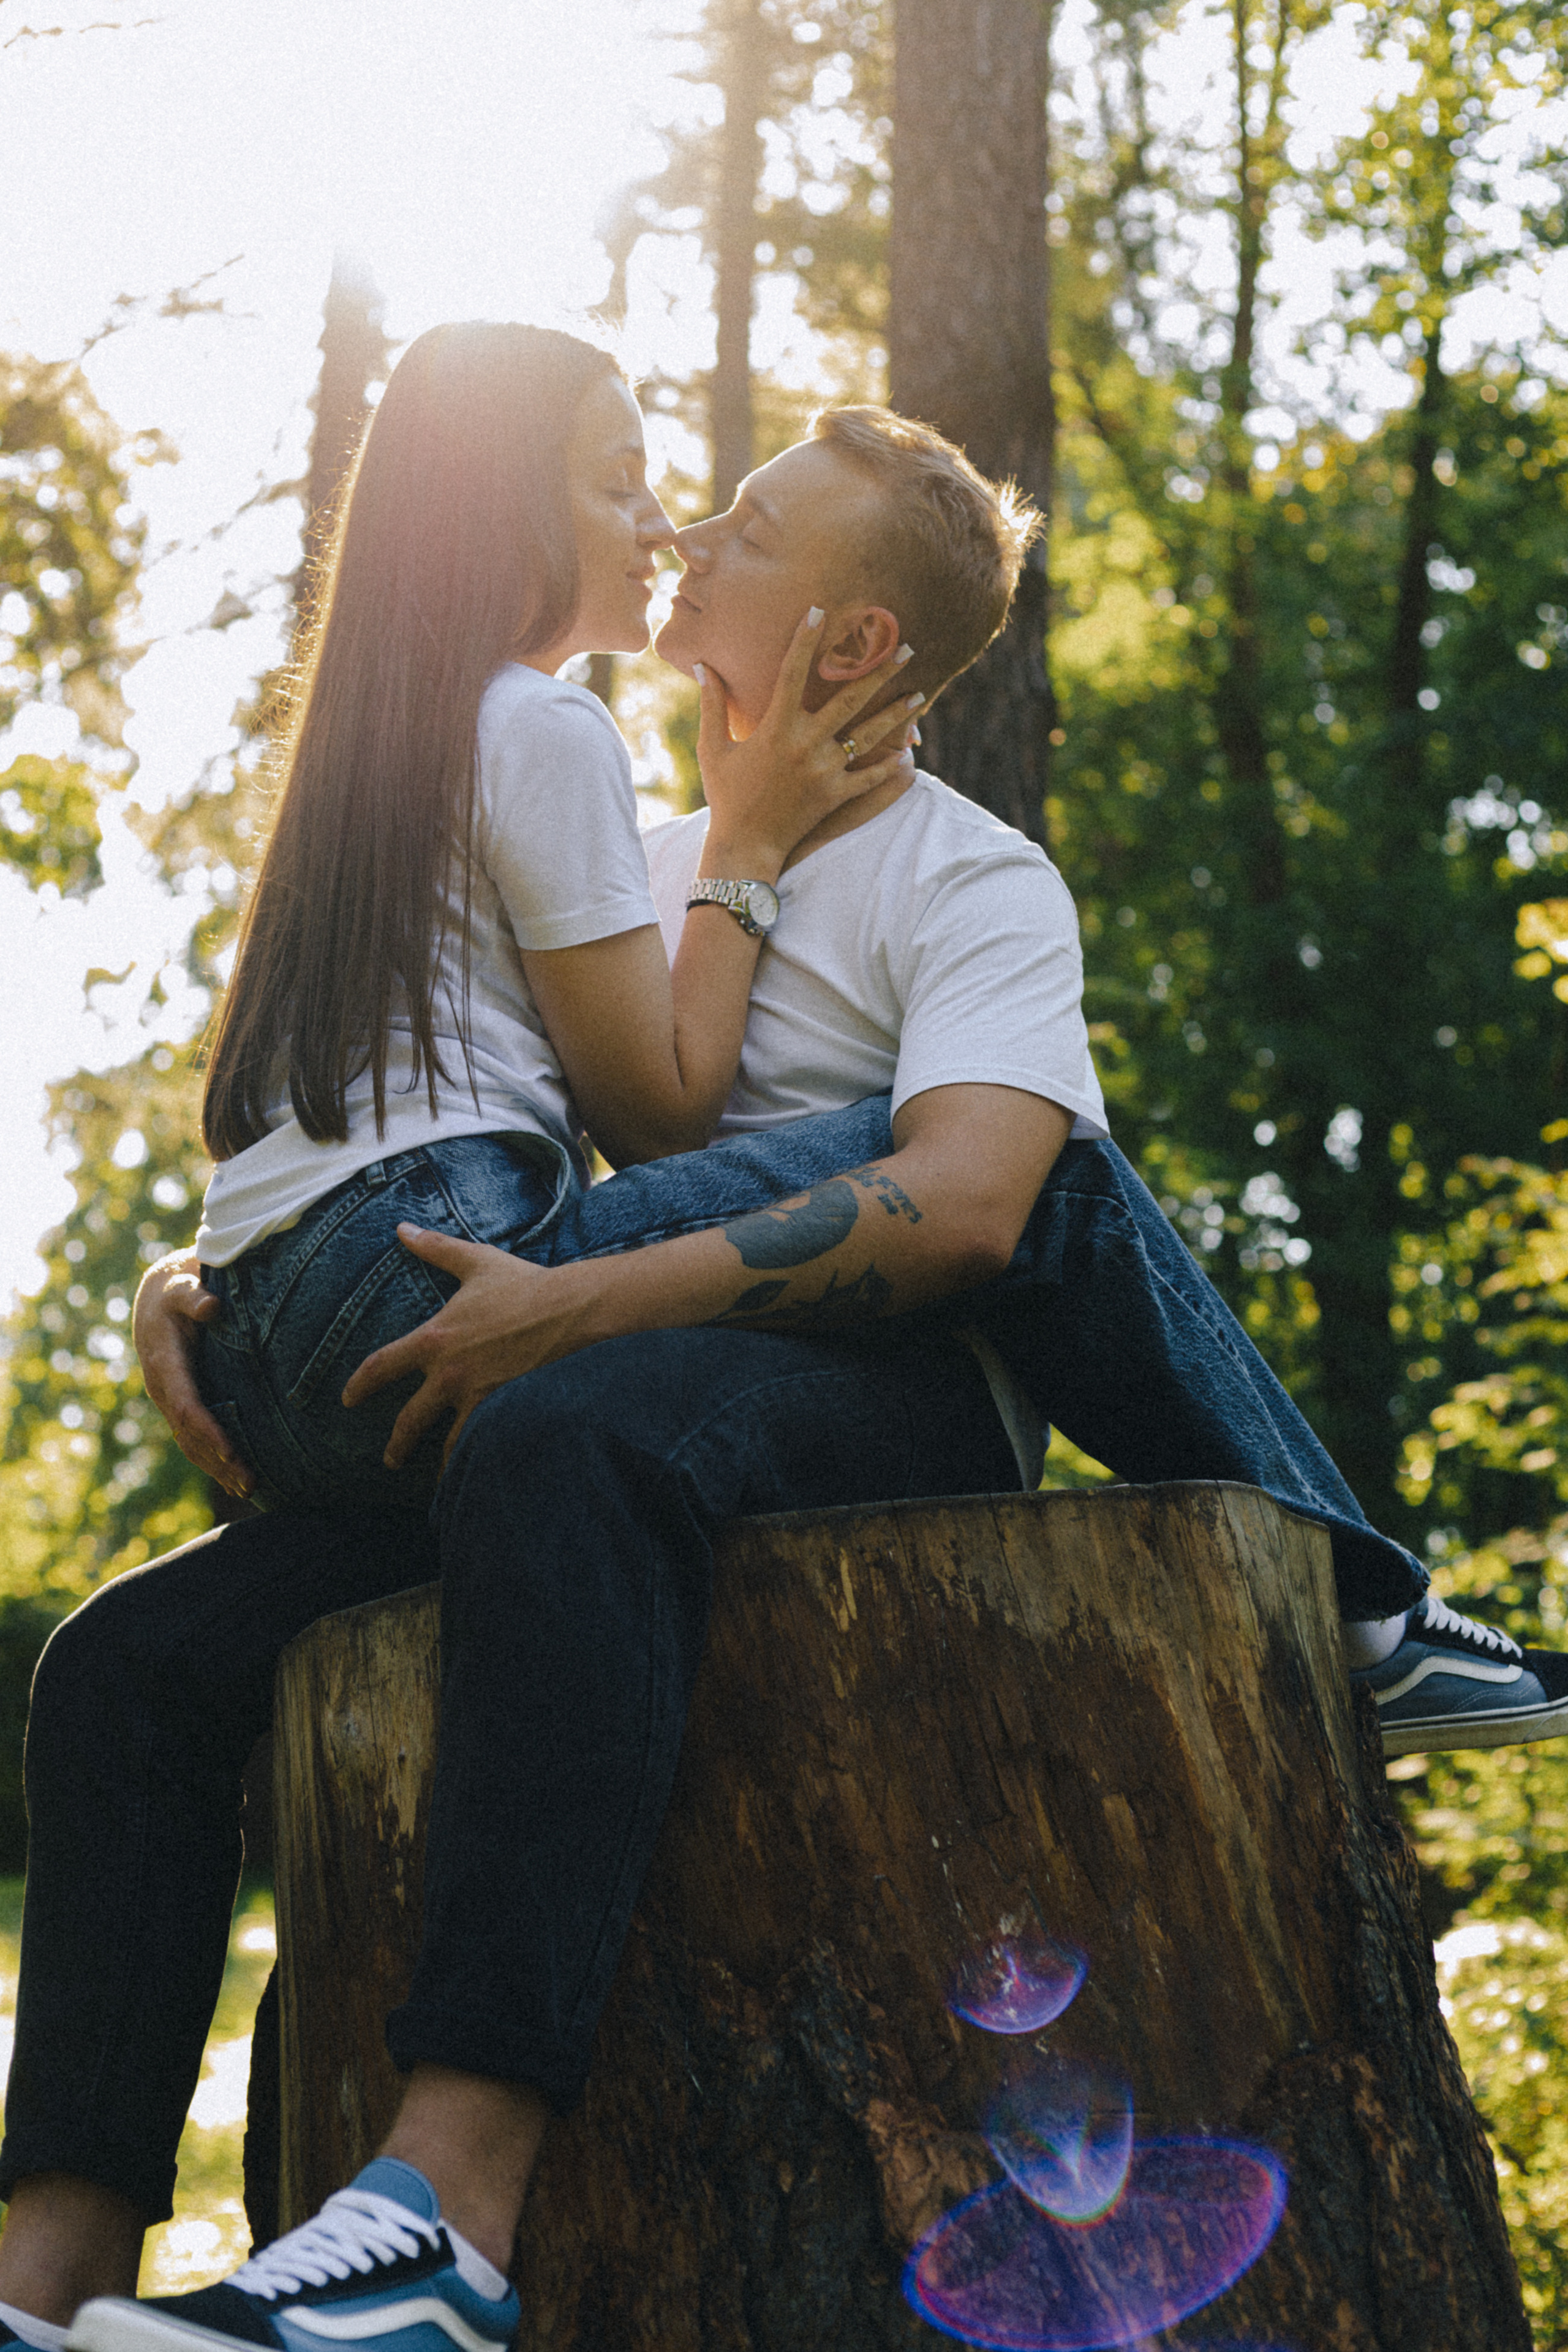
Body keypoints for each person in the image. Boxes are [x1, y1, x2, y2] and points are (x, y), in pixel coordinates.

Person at [6, 408, 1559, 2352]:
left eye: (738, 525)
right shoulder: (634, 858)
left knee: (640, 1392)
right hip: (557, 1396)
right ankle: (39, 2291)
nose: (681, 536)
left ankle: (445, 2219)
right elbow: (424, 1116)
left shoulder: (976, 883)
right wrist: (211, 1275)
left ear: (848, 645)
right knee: (127, 1666)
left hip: (875, 1412)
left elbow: (993, 1207)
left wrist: (571, 1312)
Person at [179, 318, 920, 1518]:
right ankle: (1333, 1569)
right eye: (617, 482)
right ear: (500, 510)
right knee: (965, 1151)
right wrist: (747, 840)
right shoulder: (545, 725)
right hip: (419, 1269)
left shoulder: (375, 746)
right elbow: (663, 1121)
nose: (663, 526)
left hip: (249, 1349)